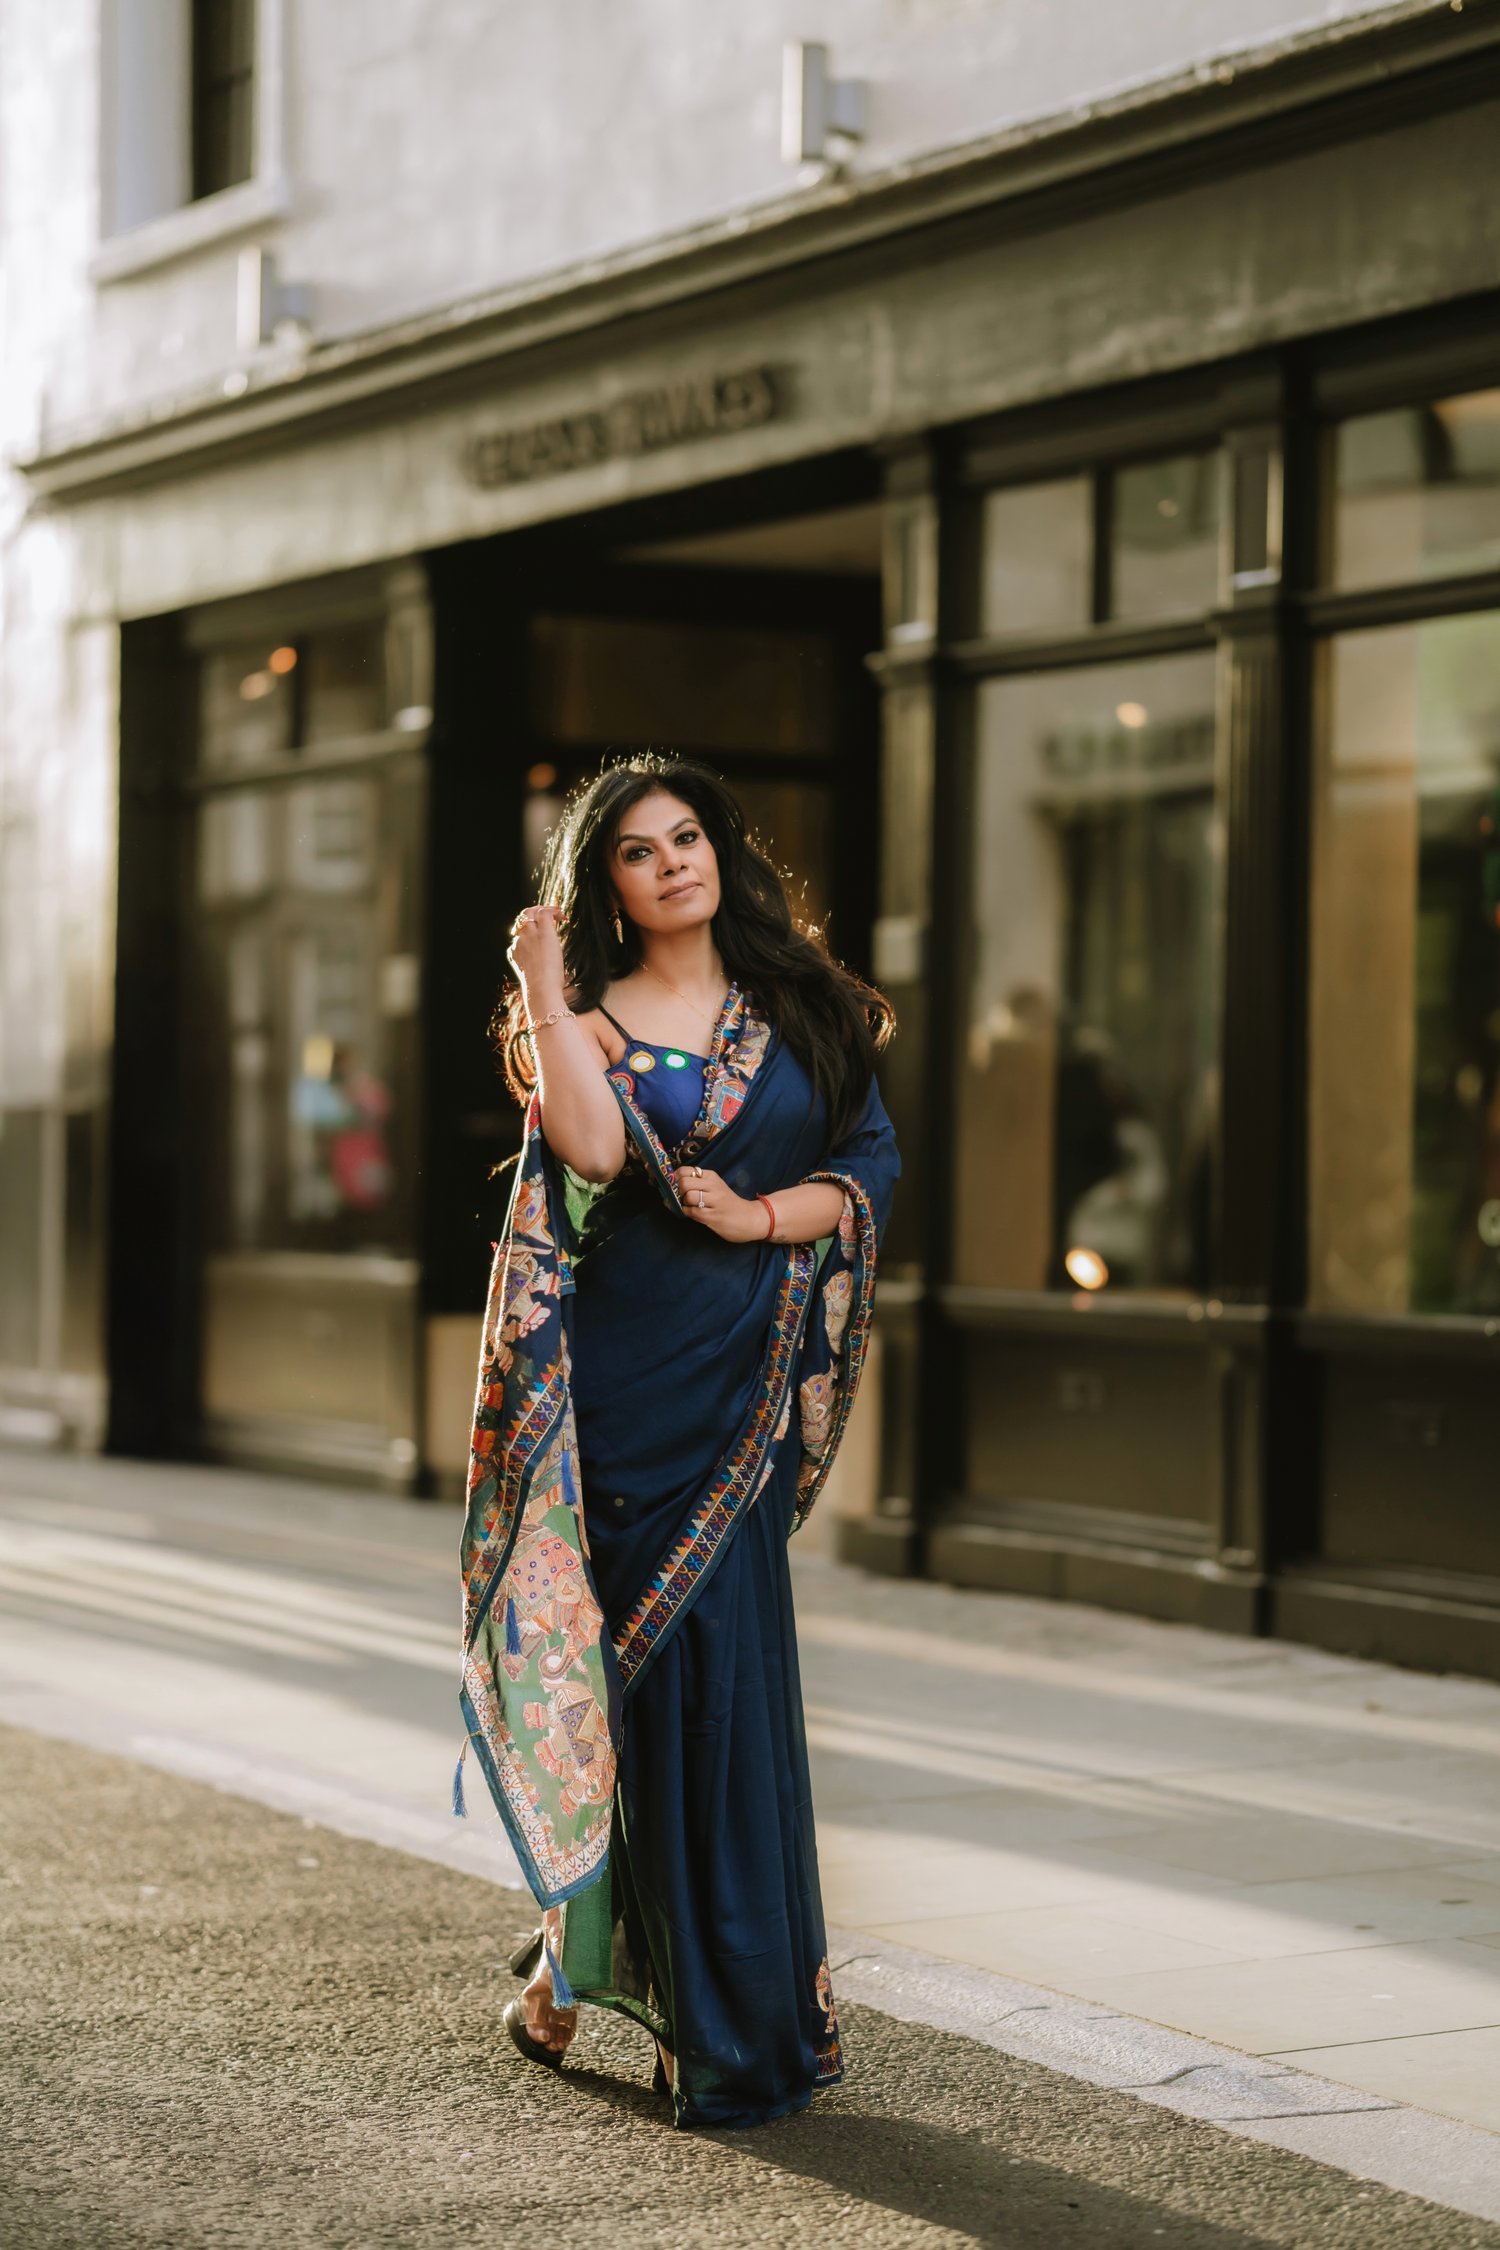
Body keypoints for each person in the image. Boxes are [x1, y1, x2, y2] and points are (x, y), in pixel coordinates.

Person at [456, 756, 899, 2130]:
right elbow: (589, 1152)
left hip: (740, 1391)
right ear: (608, 889)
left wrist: (757, 1218)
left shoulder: (807, 1015)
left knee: (724, 1691)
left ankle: (697, 2003)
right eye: (637, 852)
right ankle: (587, 1974)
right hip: (621, 1394)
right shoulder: (581, 1019)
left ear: (721, 854)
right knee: (629, 1693)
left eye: (688, 837)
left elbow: (870, 1168)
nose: (672, 863)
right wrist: (539, 974)